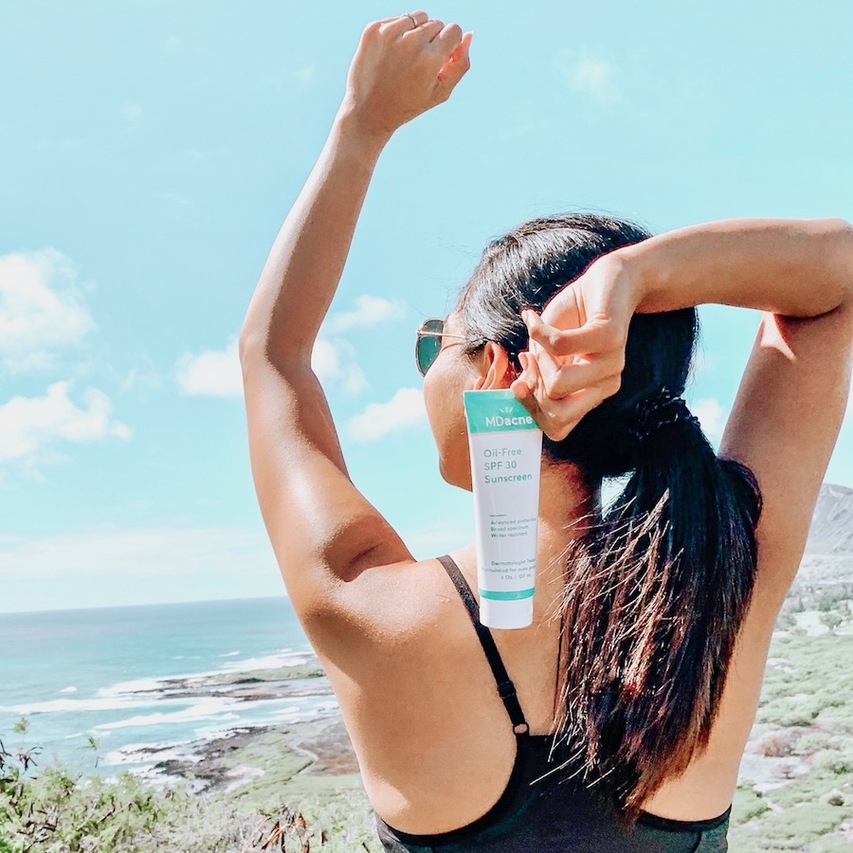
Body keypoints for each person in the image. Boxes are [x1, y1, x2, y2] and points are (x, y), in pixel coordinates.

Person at [238, 11, 853, 851]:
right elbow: (838, 278)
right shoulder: (726, 583)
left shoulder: (371, 606)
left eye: (432, 344)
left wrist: (360, 128)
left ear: (493, 370)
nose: (423, 373)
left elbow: (273, 357)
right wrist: (638, 277)